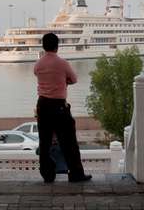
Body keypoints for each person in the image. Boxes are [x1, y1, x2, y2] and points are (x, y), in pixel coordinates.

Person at [33, 32, 92, 183]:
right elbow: (74, 79)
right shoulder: (62, 63)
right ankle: (76, 174)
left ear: (44, 46)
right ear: (57, 46)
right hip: (59, 107)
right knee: (69, 141)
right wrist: (63, 82)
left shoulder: (38, 64)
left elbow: (38, 76)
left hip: (43, 105)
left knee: (44, 141)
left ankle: (47, 174)